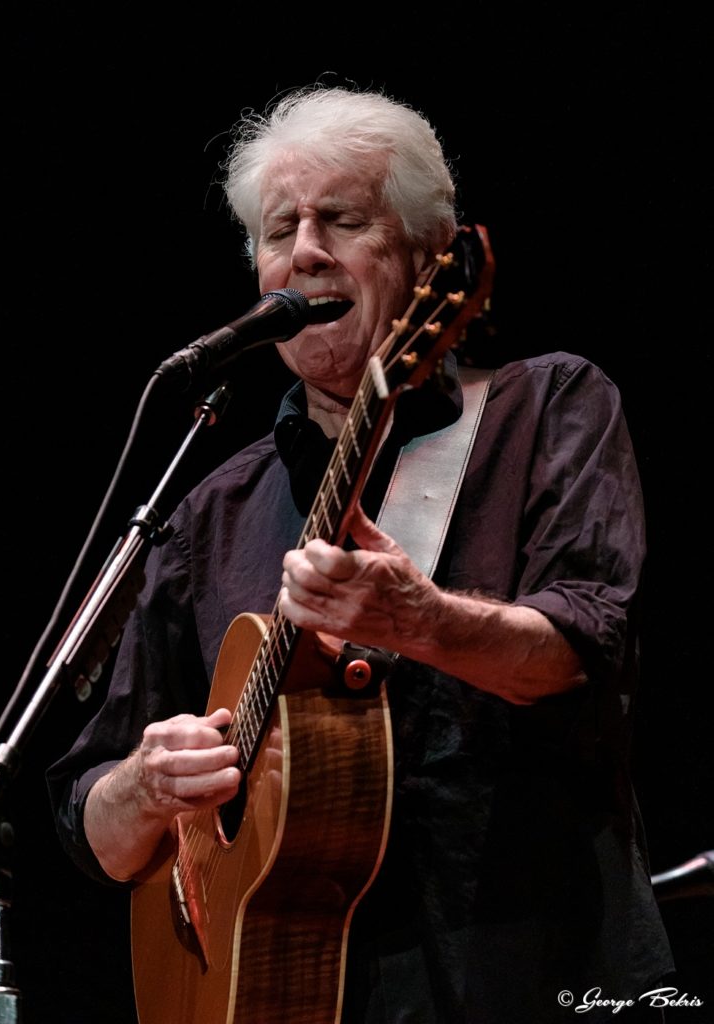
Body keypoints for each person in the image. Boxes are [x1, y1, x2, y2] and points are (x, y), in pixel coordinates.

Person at [46, 84, 675, 1023]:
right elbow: (93, 827)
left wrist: (423, 621)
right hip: (282, 992)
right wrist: (145, 786)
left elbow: (586, 650)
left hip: (527, 970)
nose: (305, 251)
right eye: (279, 230)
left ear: (428, 258)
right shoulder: (212, 511)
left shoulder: (546, 409)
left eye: (342, 220)